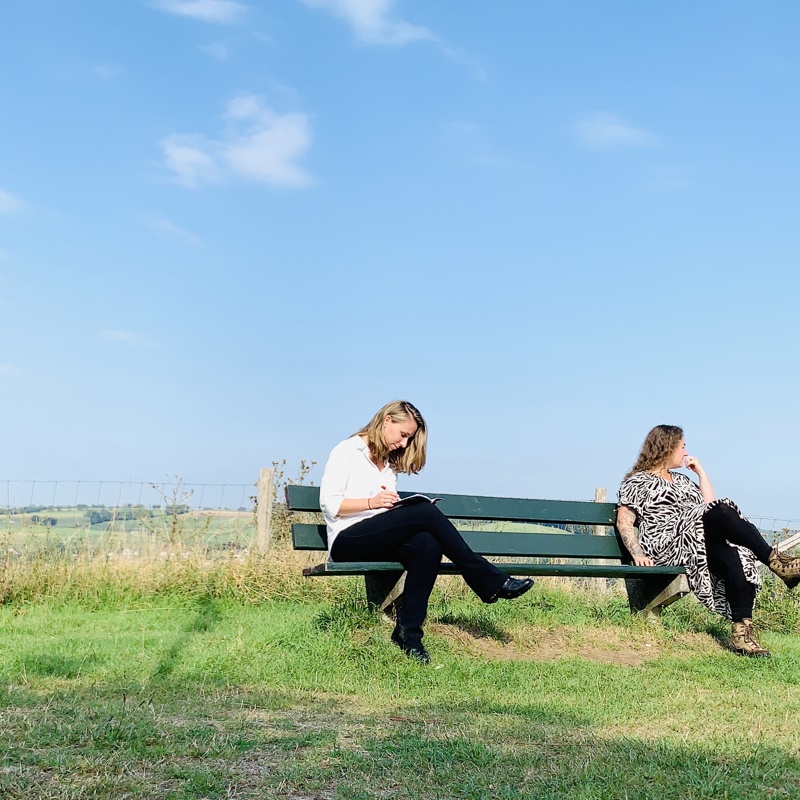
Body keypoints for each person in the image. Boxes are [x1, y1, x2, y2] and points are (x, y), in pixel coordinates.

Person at [319, 400, 533, 664]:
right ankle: (487, 578)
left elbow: (382, 516)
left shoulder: (387, 466)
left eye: (409, 438)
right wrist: (372, 502)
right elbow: (330, 505)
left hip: (376, 537)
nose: (404, 444)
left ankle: (409, 634)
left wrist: (391, 508)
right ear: (387, 421)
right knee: (423, 511)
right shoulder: (347, 451)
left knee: (427, 544)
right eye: (403, 435)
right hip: (346, 540)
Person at [616, 424, 800, 657]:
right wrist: (637, 554)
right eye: (682, 447)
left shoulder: (682, 480)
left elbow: (710, 508)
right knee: (721, 511)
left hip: (696, 540)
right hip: (667, 543)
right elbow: (624, 521)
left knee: (738, 556)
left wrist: (701, 473)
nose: (685, 452)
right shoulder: (638, 481)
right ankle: (777, 562)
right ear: (667, 447)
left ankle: (742, 636)